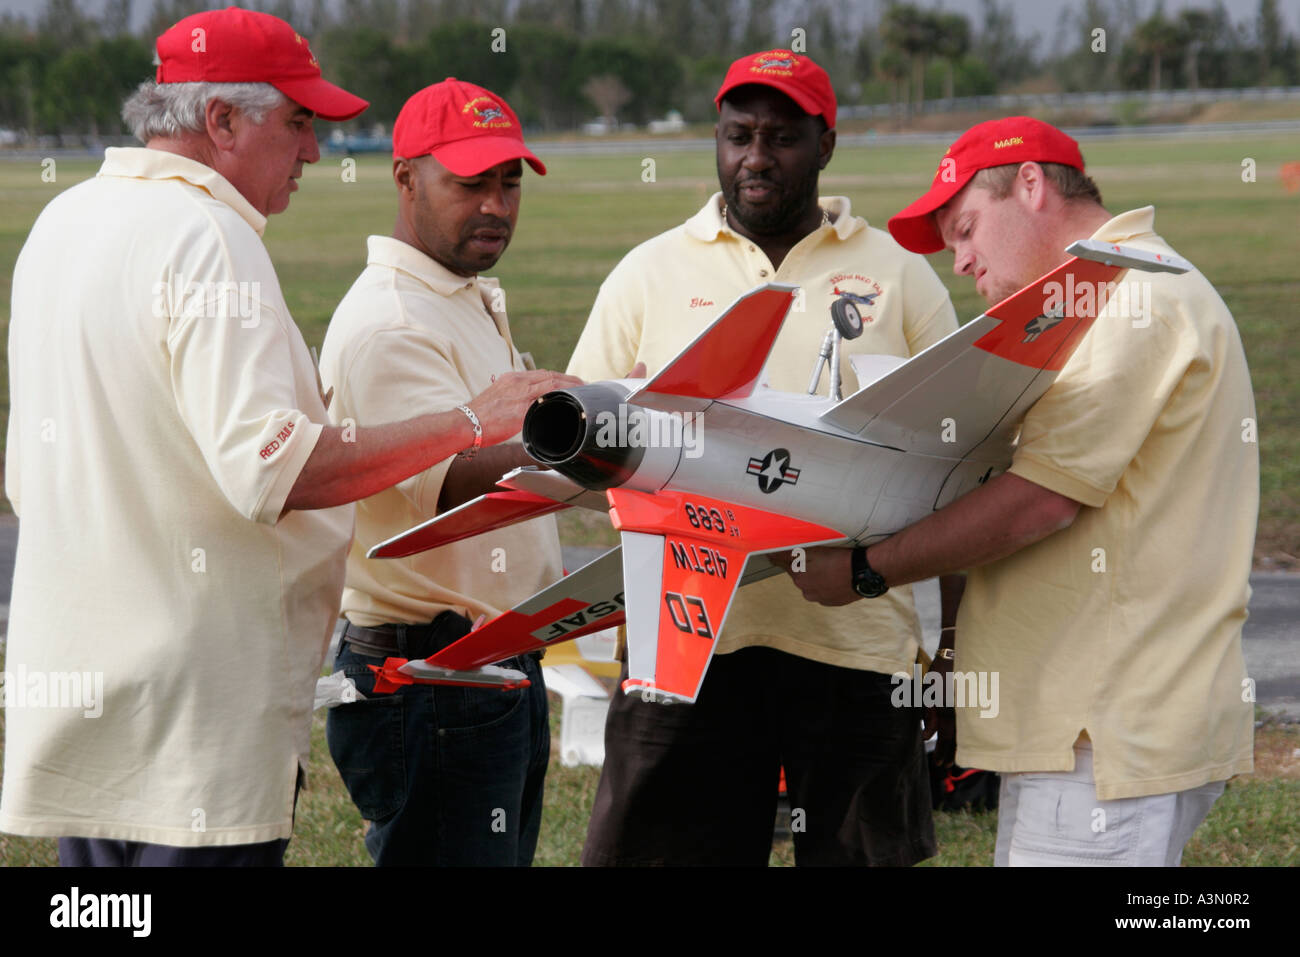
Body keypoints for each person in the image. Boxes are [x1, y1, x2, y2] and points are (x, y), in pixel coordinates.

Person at [1, 8, 574, 867]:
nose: (313, 151)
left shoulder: (63, 221)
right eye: (299, 122)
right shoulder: (208, 235)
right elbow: (274, 469)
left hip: (94, 703)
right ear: (221, 121)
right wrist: (473, 422)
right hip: (196, 716)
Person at [785, 116, 1258, 866]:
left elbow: (1042, 499)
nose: (962, 260)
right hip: (1097, 725)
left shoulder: (1125, 297)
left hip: (1102, 729)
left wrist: (868, 569)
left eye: (967, 229)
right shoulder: (1116, 289)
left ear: (1031, 185)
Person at [568, 49, 963, 866]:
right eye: (738, 134)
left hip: (858, 647)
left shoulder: (899, 275)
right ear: (716, 138)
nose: (756, 157)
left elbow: (957, 472)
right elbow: (578, 453)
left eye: (781, 137)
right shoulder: (648, 274)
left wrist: (953, 649)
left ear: (825, 144)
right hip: (688, 637)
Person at [317, 79, 563, 867]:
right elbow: (452, 479)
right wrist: (590, 435)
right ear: (404, 179)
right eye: (470, 183)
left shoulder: (453, 291)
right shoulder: (393, 319)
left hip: (480, 665)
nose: (496, 204)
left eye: (510, 181)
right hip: (433, 674)